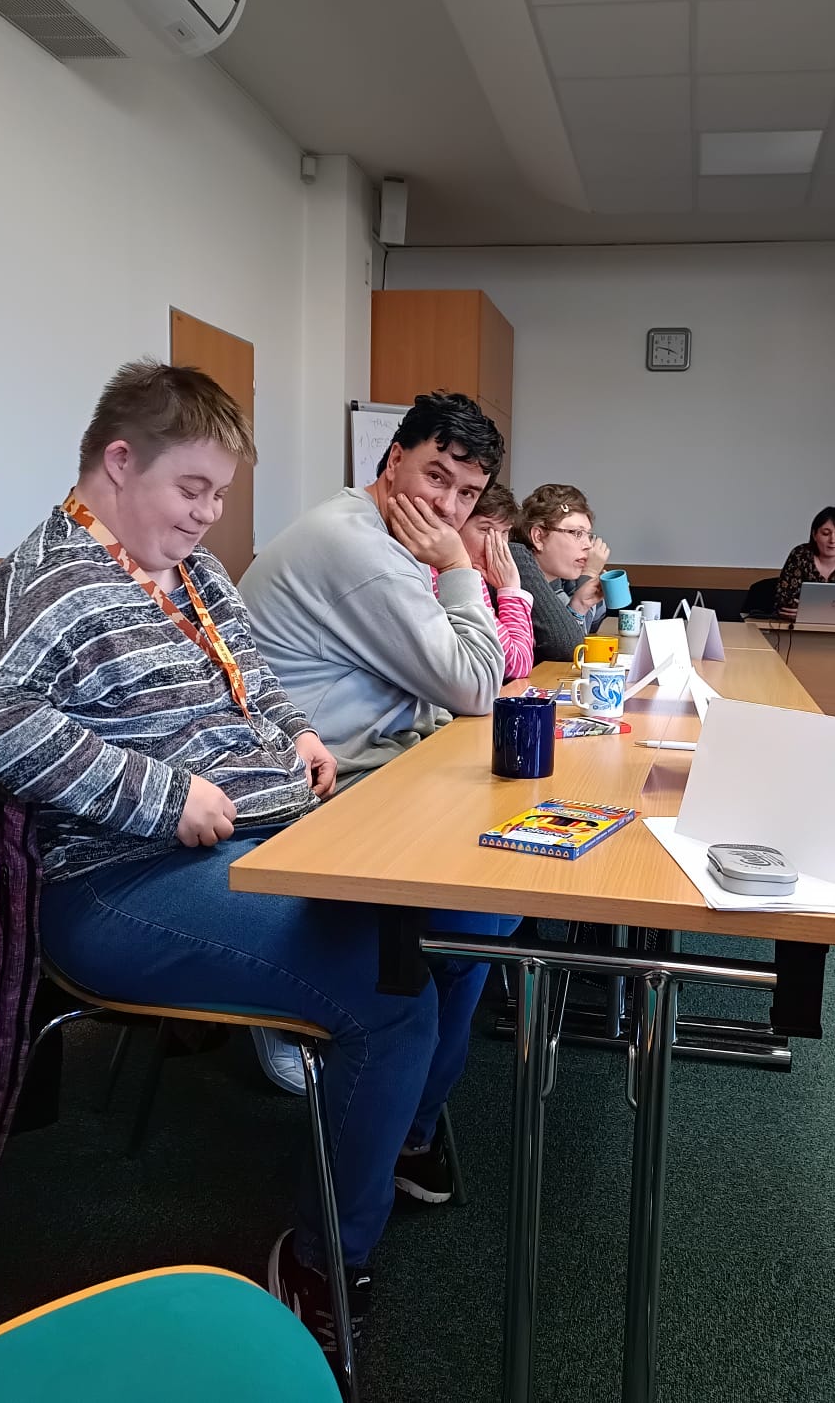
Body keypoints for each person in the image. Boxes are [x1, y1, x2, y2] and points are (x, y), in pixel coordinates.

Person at [0, 362, 466, 1366]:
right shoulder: (44, 584)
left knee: (456, 915)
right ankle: (324, 1263)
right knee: (392, 994)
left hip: (263, 835)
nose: (207, 515)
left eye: (220, 495)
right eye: (191, 489)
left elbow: (255, 677)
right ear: (119, 462)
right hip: (119, 880)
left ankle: (386, 1134)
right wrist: (162, 797)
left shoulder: (190, 571)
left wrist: (297, 733)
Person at [239, 391, 519, 1205]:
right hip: (311, 801)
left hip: (375, 778)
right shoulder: (356, 545)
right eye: (435, 476)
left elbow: (442, 688)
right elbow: (475, 683)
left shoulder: (388, 541)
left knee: (490, 917)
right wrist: (462, 567)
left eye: (467, 493)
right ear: (392, 460)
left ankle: (410, 1124)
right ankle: (407, 1127)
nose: (448, 505)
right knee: (476, 921)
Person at [509, 484, 609, 661]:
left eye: (588, 535)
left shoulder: (557, 582)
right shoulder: (517, 580)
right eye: (577, 533)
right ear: (538, 537)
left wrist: (580, 605)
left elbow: (581, 639)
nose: (588, 545)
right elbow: (567, 650)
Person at [456, 481, 534, 681]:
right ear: (455, 527)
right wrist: (510, 590)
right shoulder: (451, 577)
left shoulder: (478, 575)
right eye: (485, 530)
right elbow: (517, 664)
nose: (497, 543)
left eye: (504, 532)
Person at [774, 506, 835, 618]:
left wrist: (811, 612)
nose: (832, 540)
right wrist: (831, 611)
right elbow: (785, 602)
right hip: (799, 626)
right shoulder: (800, 555)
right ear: (814, 535)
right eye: (826, 533)